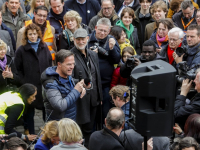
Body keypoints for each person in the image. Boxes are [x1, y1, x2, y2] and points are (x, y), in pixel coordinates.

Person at [15, 23, 52, 134]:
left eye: (34, 34)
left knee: (46, 109)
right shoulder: (21, 50)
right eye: (30, 34)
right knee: (29, 112)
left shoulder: (44, 47)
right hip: (29, 86)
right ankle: (30, 134)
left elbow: (49, 63)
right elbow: (17, 68)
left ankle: (48, 132)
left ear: (38, 34)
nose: (32, 36)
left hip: (43, 85)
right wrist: (23, 81)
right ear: (26, 35)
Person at [70, 28, 103, 148]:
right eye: (78, 39)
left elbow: (97, 76)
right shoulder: (70, 55)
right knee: (79, 129)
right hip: (80, 98)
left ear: (87, 39)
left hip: (94, 98)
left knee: (90, 127)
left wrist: (100, 97)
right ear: (74, 40)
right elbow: (68, 78)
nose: (80, 41)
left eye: (83, 39)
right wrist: (81, 83)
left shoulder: (93, 54)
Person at [87, 18, 120, 120]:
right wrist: (91, 54)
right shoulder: (87, 40)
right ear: (95, 28)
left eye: (105, 31)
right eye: (100, 30)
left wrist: (112, 48)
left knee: (105, 112)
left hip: (106, 84)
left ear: (109, 31)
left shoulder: (111, 41)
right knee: (91, 113)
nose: (102, 33)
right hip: (90, 84)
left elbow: (117, 60)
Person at [41, 50, 86, 121]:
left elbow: (67, 86)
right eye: (69, 64)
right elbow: (60, 105)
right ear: (59, 64)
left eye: (73, 64)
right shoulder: (50, 84)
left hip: (69, 122)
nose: (72, 67)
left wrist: (81, 87)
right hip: (59, 125)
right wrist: (76, 90)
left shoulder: (66, 74)